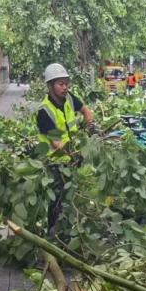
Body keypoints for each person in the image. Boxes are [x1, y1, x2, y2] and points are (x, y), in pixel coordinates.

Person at [36, 63, 94, 232]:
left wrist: (90, 126)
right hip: (55, 163)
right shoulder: (44, 111)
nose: (65, 87)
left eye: (66, 83)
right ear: (50, 86)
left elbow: (86, 111)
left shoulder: (69, 98)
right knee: (57, 201)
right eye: (60, 84)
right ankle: (53, 233)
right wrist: (78, 151)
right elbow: (57, 144)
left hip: (73, 157)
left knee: (76, 197)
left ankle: (72, 230)